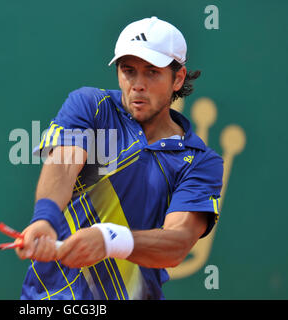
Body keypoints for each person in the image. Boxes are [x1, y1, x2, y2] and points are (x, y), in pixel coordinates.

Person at [15, 16, 223, 300]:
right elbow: (63, 165)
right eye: (128, 71)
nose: (137, 85)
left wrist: (110, 240)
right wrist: (46, 219)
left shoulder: (199, 160)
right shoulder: (91, 106)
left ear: (178, 78)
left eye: (152, 72)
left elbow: (177, 243)